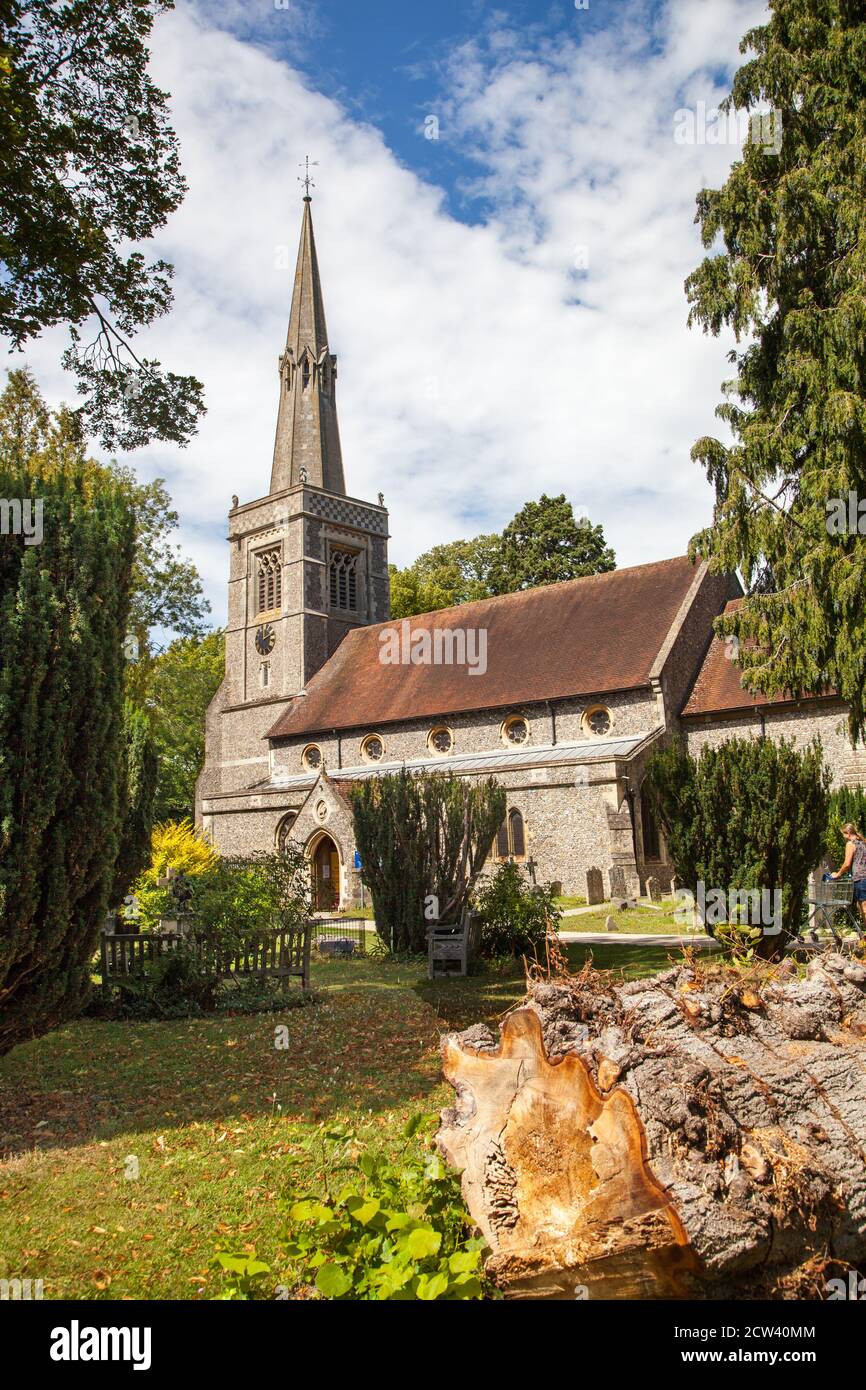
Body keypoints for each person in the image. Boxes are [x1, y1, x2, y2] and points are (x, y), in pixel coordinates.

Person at [829, 822, 866, 928]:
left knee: (864, 908)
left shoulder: (851, 844)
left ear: (848, 833)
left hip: (860, 878)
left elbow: (846, 864)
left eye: (844, 834)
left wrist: (838, 874)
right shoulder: (863, 842)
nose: (844, 837)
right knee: (861, 907)